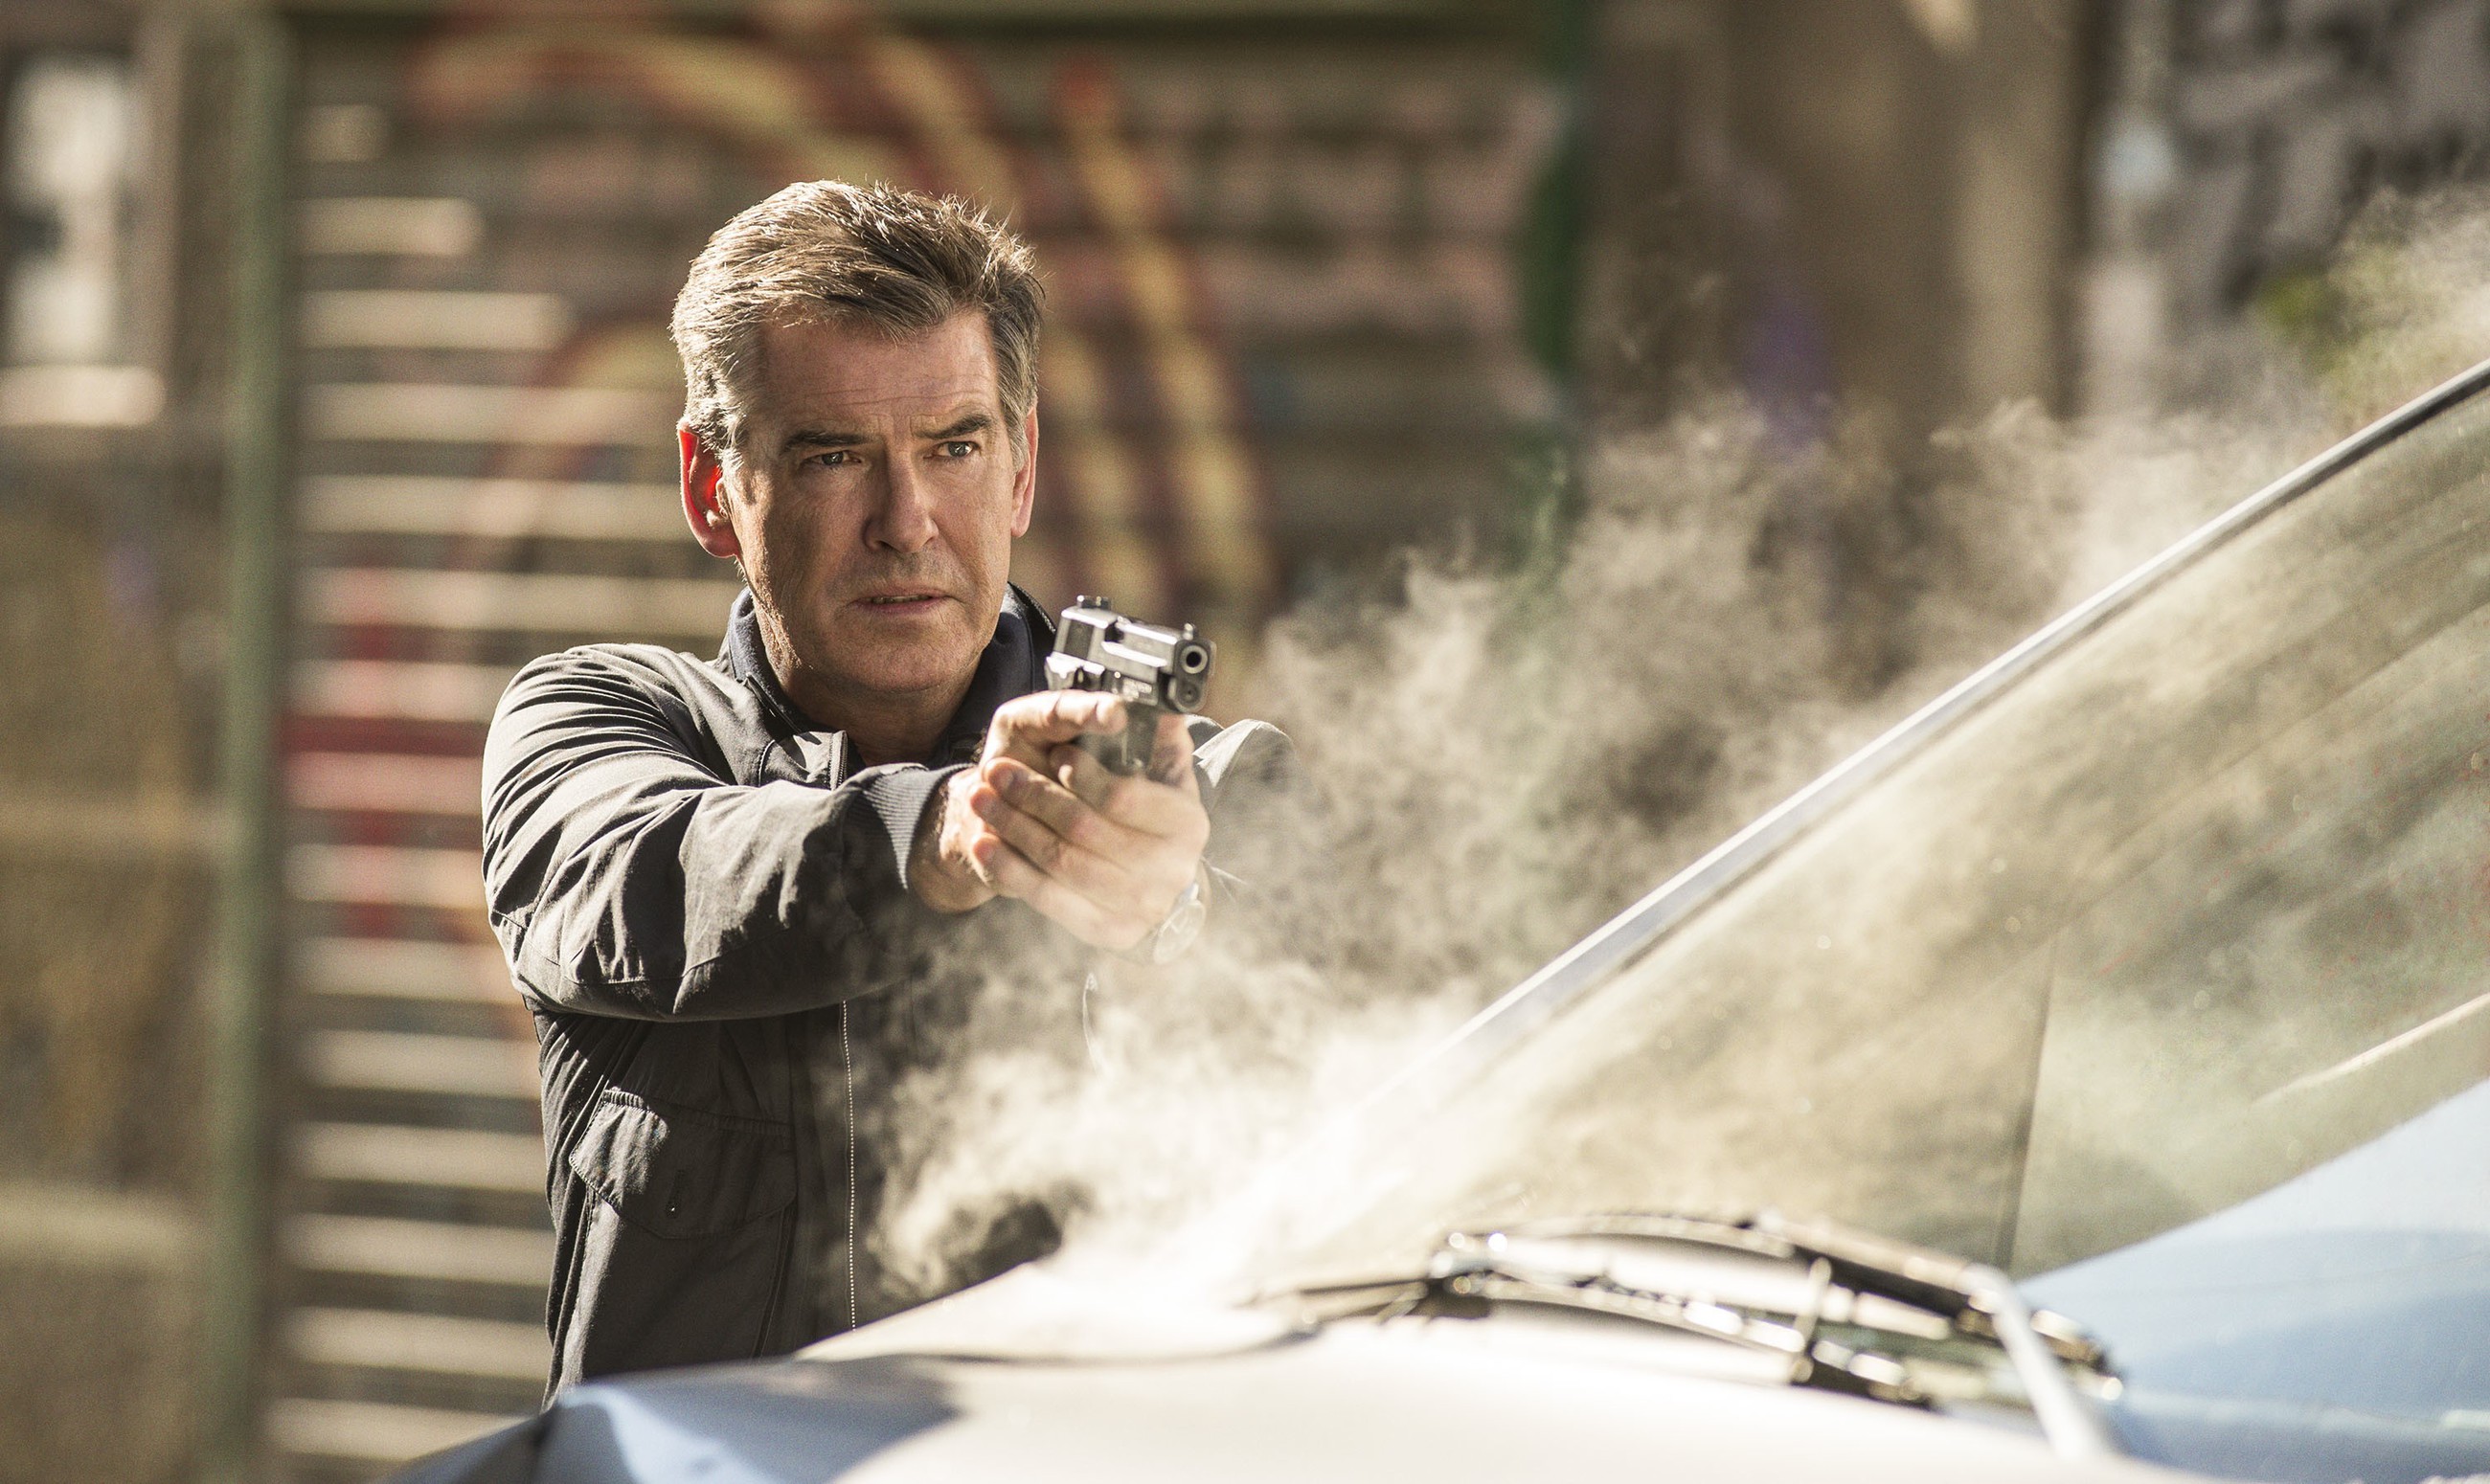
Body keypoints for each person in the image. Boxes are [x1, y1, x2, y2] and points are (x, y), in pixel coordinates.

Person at [480, 180, 1297, 1396]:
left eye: (953, 447)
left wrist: (1172, 919)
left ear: (1020, 472)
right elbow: (656, 880)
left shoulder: (1208, 800)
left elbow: (1352, 1067)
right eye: (833, 456)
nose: (905, 520)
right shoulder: (598, 724)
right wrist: (943, 833)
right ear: (712, 489)